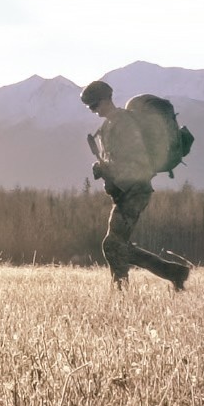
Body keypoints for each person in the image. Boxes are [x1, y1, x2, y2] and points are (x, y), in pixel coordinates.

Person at [83, 79, 193, 290]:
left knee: (113, 244)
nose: (93, 110)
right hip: (124, 191)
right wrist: (103, 167)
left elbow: (137, 161)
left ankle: (121, 292)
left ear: (107, 99)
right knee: (116, 244)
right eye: (90, 107)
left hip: (135, 190)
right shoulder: (108, 127)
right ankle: (174, 273)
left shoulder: (124, 123)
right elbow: (116, 160)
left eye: (95, 104)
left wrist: (108, 169)